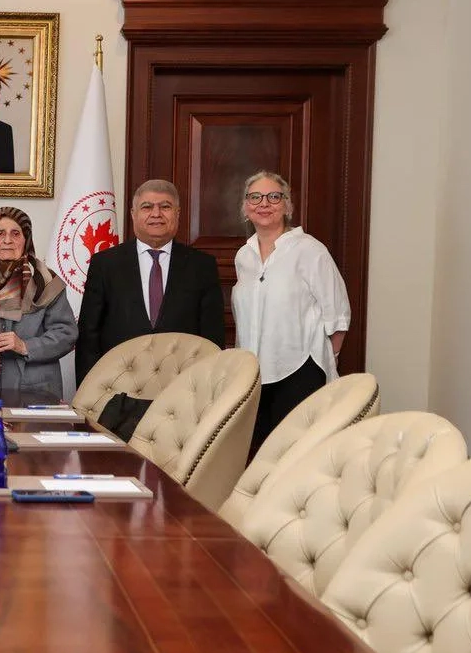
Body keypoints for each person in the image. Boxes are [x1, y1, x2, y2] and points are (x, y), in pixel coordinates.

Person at [233, 170, 350, 459]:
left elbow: (338, 315)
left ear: (287, 205)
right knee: (260, 458)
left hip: (299, 370)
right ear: (246, 208)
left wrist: (327, 357)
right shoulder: (243, 256)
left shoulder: (310, 250)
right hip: (254, 376)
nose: (264, 203)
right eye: (255, 197)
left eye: (274, 197)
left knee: (295, 457)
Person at [75, 179, 225, 385]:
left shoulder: (202, 266)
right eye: (147, 207)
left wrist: (208, 388)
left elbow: (212, 337)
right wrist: (89, 391)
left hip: (182, 386)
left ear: (177, 214)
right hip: (118, 386)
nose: (156, 214)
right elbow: (88, 336)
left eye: (165, 207)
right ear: (133, 214)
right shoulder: (105, 264)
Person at [0, 207, 77, 401]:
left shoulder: (46, 282)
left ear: (26, 239)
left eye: (16, 234)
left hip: (36, 390)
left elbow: (66, 334)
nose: (7, 240)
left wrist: (25, 346)